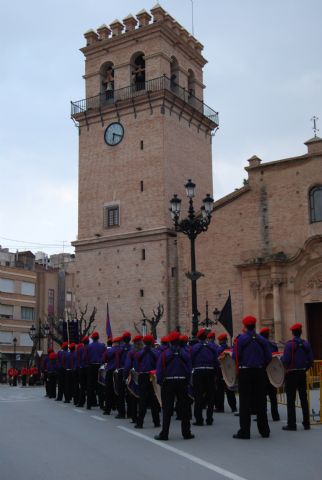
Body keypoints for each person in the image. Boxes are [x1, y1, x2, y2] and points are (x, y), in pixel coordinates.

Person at [232, 315, 272, 439]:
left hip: (245, 372)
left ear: (244, 326)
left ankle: (245, 431)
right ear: (254, 325)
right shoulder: (262, 339)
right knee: (261, 401)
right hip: (260, 371)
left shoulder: (241, 339)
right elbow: (269, 357)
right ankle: (264, 431)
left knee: (245, 402)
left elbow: (235, 356)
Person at [155, 331, 194, 441]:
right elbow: (189, 368)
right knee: (185, 409)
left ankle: (164, 434)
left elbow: (160, 369)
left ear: (170, 342)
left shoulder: (164, 354)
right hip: (182, 382)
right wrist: (187, 380)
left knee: (167, 409)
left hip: (168, 382)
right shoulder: (185, 353)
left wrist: (160, 381)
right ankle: (186, 433)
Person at [281, 322, 313, 431]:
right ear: (301, 332)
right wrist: (305, 369)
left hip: (292, 374)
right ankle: (306, 423)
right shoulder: (306, 344)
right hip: (302, 373)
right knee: (304, 399)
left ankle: (292, 424)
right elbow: (311, 360)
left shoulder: (289, 345)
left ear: (292, 333)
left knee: (291, 400)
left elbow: (285, 360)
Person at [191, 328, 219, 426]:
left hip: (198, 372)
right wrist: (215, 373)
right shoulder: (212, 347)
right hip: (210, 371)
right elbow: (216, 361)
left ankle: (199, 419)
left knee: (198, 396)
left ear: (198, 338)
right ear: (206, 337)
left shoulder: (195, 347)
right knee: (210, 396)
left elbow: (191, 360)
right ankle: (209, 419)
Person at [133, 334, 160, 429]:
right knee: (154, 398)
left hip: (143, 376)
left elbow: (136, 366)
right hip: (153, 375)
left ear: (144, 342)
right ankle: (156, 422)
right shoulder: (156, 352)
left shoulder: (139, 353)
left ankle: (140, 423)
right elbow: (158, 364)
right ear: (152, 342)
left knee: (142, 400)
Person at [259, 327, 280, 421]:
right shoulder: (273, 344)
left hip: (263, 371)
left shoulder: (260, 344)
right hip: (272, 371)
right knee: (273, 395)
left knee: (262, 396)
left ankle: (263, 416)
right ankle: (275, 415)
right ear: (267, 335)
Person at [215, 333, 237, 413]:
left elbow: (216, 360)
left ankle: (220, 407)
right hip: (229, 372)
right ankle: (233, 407)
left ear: (221, 341)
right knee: (230, 390)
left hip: (221, 372)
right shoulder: (230, 349)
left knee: (220, 391)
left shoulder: (218, 349)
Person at [86, 331, 105, 410]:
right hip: (100, 366)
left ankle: (89, 404)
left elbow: (87, 357)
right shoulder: (102, 346)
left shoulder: (89, 346)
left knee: (90, 386)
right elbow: (104, 356)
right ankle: (101, 404)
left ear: (92, 338)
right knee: (100, 385)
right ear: (98, 337)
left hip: (91, 366)